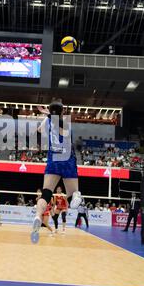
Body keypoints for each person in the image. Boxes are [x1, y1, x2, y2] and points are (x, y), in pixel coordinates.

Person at [31, 100, 82, 244]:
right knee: (72, 193)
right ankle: (75, 200)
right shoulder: (65, 124)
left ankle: (37, 215)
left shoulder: (48, 122)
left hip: (53, 159)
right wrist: (50, 114)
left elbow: (39, 131)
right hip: (67, 159)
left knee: (46, 192)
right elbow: (60, 125)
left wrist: (47, 115)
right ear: (63, 112)